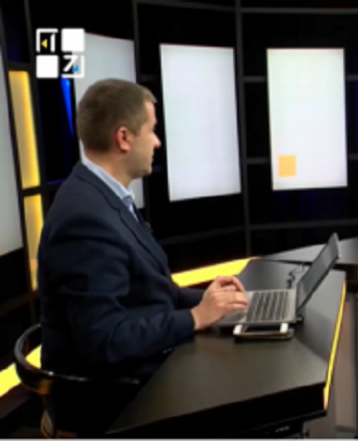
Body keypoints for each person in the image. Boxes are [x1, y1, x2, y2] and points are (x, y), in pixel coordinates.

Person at [37, 79, 249, 433]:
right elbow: (105, 340)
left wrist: (221, 301)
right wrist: (195, 317)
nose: (157, 142)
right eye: (151, 130)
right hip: (112, 402)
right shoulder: (84, 218)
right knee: (242, 388)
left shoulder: (104, 196)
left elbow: (150, 292)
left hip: (137, 375)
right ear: (124, 138)